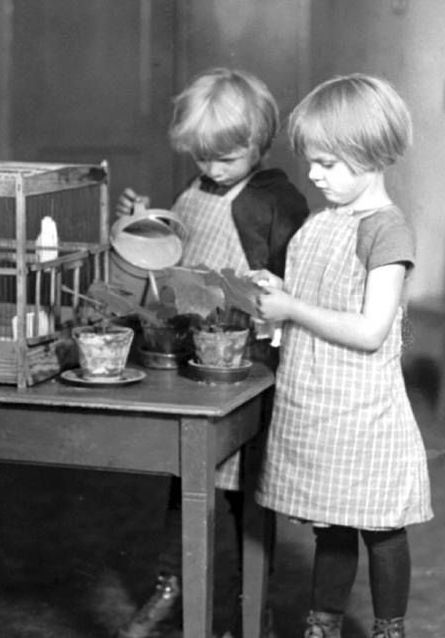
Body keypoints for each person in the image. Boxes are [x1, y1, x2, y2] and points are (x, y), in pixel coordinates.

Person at [114, 67, 309, 638]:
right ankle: (170, 587)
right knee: (186, 484)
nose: (212, 170)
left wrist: (266, 284)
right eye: (203, 157)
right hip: (190, 362)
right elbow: (175, 258)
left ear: (260, 141)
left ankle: (252, 613)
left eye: (225, 158)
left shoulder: (276, 201)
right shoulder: (195, 190)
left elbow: (297, 284)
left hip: (244, 366)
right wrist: (147, 220)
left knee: (245, 498)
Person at [253, 74, 433, 638]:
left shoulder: (387, 231)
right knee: (330, 524)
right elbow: (314, 292)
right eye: (312, 161)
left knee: (381, 528)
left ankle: (388, 629)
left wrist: (290, 308)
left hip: (362, 409)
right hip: (316, 399)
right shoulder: (323, 221)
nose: (313, 173)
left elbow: (371, 330)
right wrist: (274, 288)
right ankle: (322, 625)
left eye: (327, 162)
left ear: (368, 155)